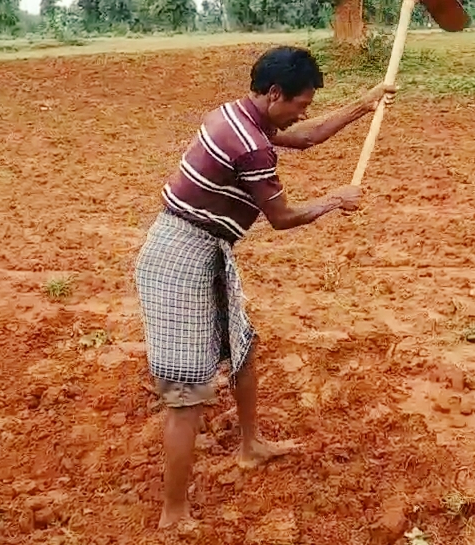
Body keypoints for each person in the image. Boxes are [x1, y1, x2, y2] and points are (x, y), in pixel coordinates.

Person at [134, 45, 396, 531]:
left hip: (205, 250)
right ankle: (174, 512)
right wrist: (335, 199)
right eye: (300, 102)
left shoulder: (236, 114)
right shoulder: (250, 145)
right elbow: (281, 217)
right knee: (187, 392)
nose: (304, 112)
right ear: (274, 93)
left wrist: (366, 103)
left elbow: (306, 137)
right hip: (178, 261)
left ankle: (251, 446)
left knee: (243, 350)